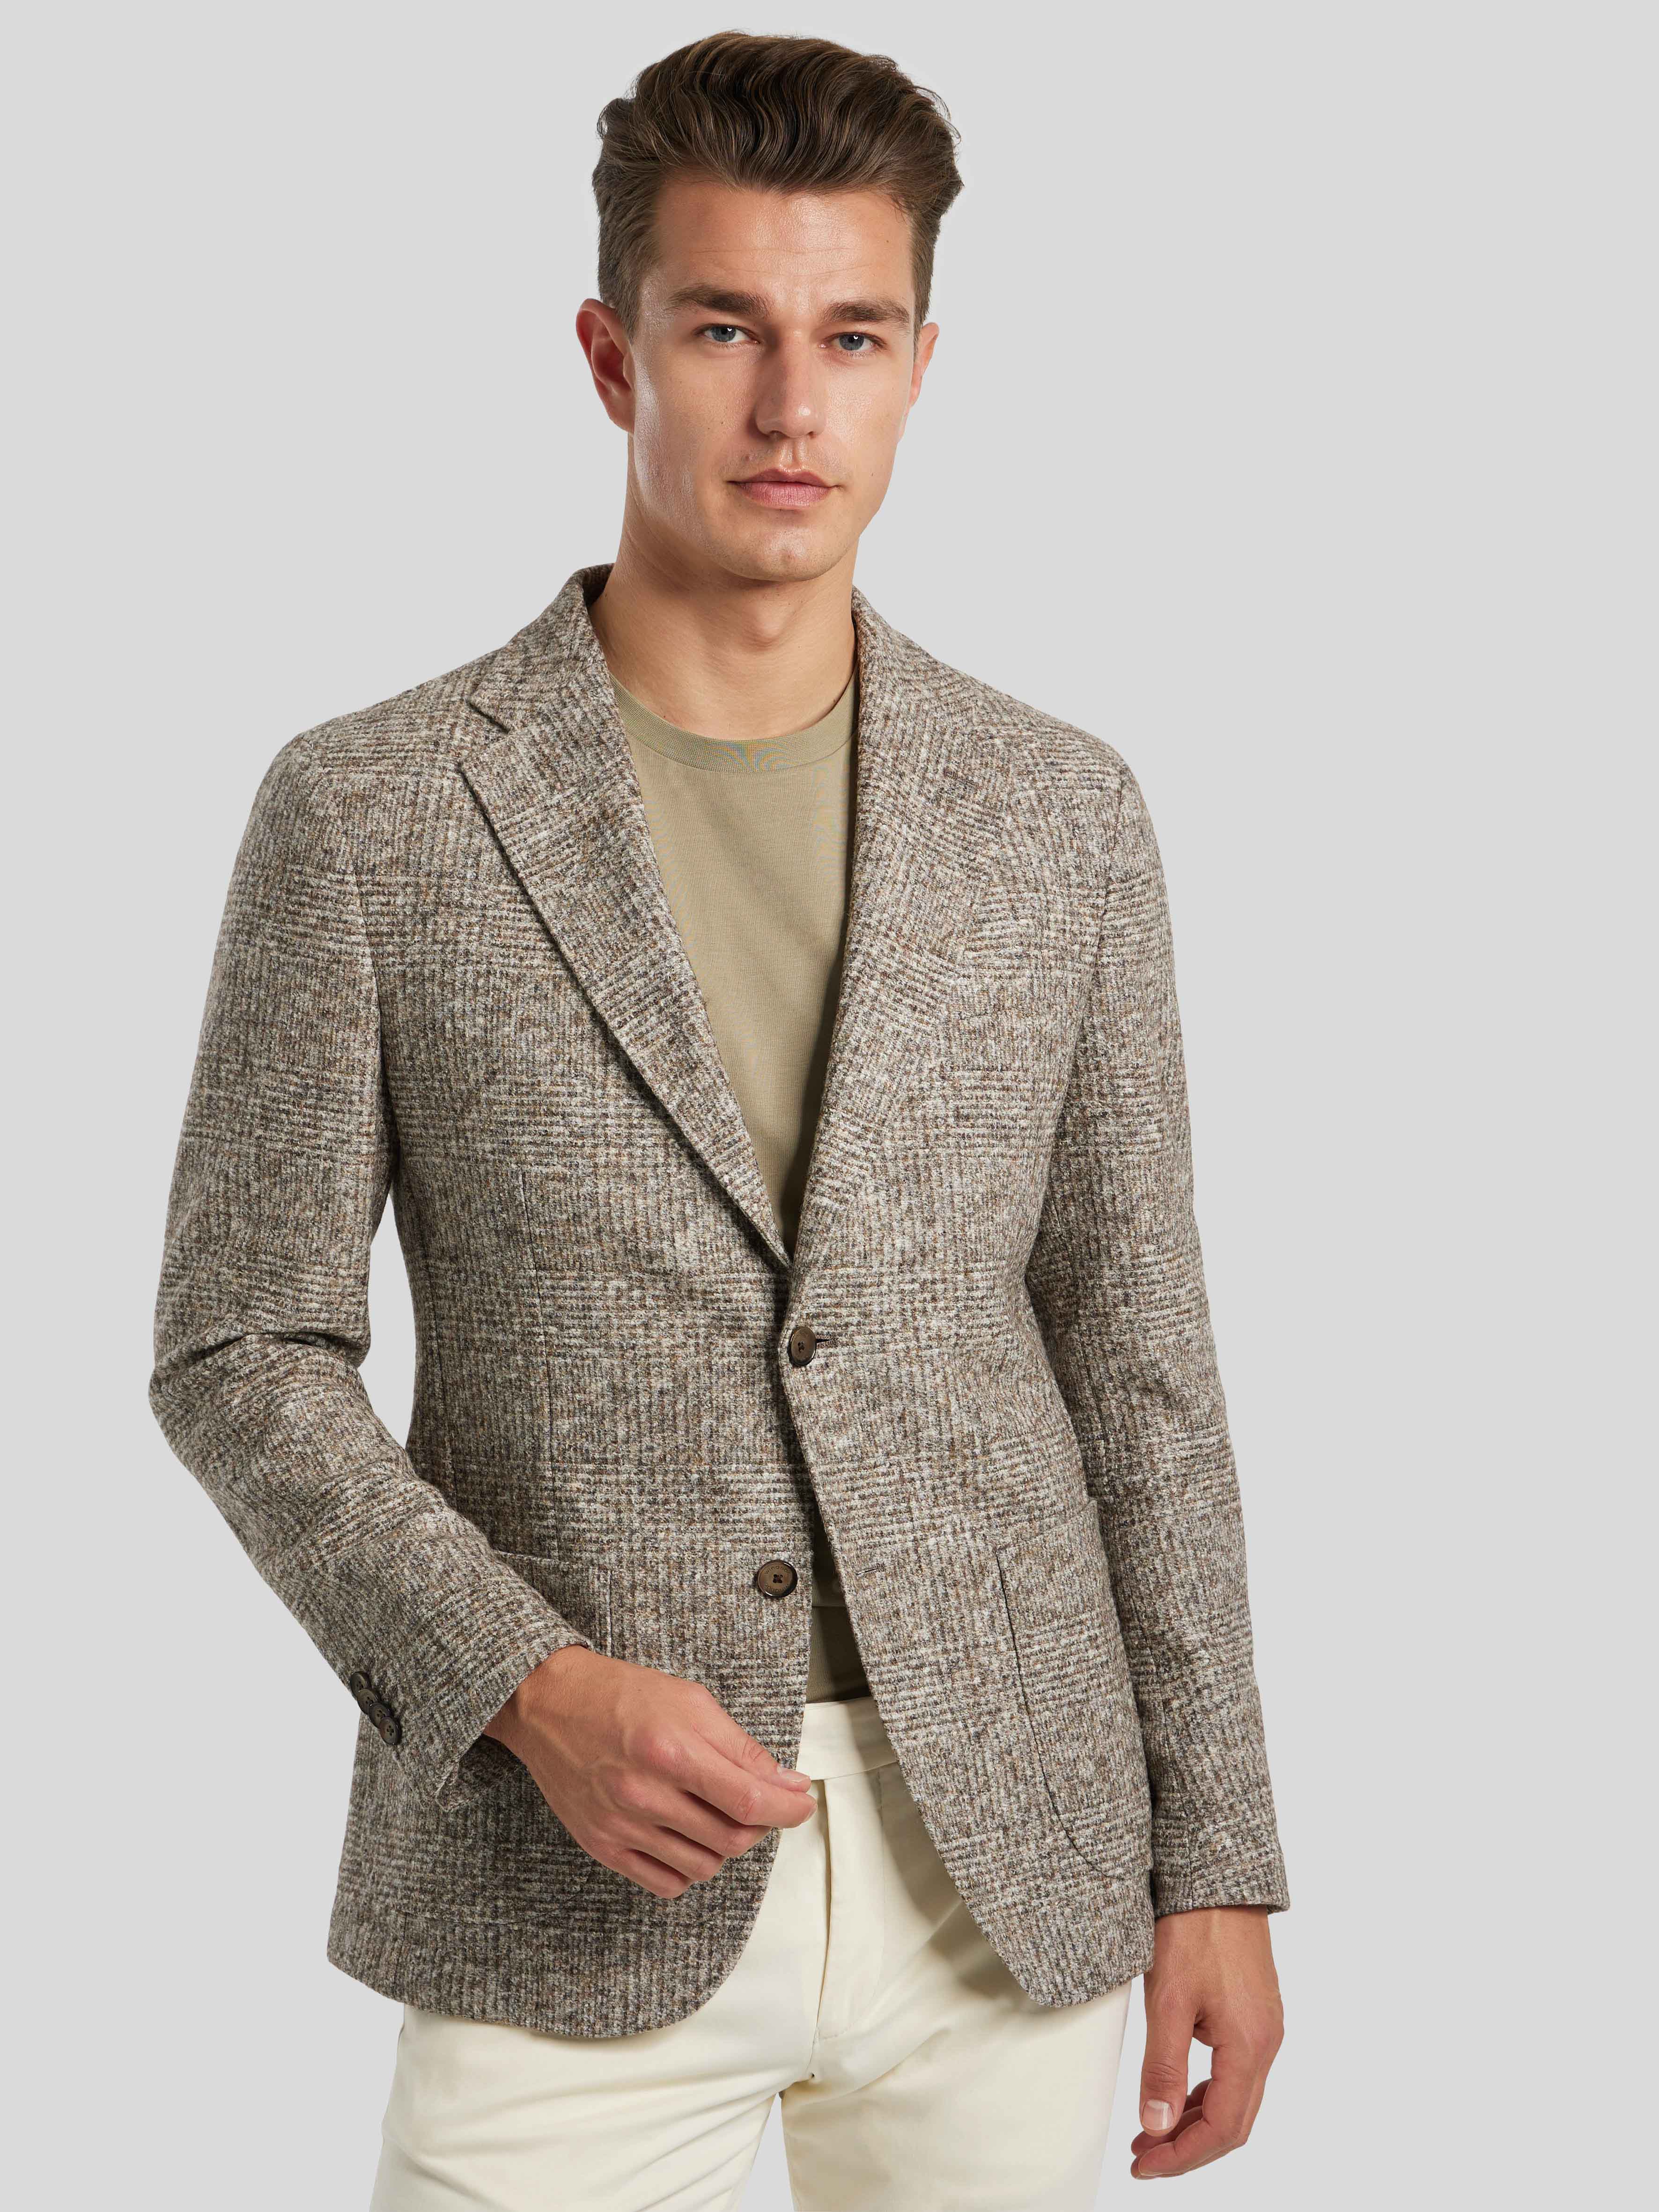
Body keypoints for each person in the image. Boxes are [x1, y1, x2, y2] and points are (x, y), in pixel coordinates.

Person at [149, 30, 1288, 2210]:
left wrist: (1213, 1854)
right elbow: (240, 1344)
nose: (790, 407)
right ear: (612, 355)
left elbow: (1135, 1354)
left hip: (1006, 1865)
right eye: (724, 330)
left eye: (850, 337)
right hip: (563, 1871)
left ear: (921, 367)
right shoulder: (375, 808)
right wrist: (527, 1682)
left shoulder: (1061, 813)